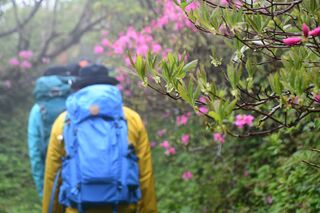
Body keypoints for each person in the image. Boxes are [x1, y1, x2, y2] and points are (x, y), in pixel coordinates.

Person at [42, 64, 157, 213]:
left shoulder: (64, 121)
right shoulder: (131, 119)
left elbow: (53, 177)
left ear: (79, 88)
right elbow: (145, 176)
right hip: (123, 207)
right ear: (111, 87)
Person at [28, 66, 76, 198]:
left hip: (52, 176)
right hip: (77, 177)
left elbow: (35, 152)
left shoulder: (37, 110)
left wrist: (42, 189)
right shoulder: (76, 105)